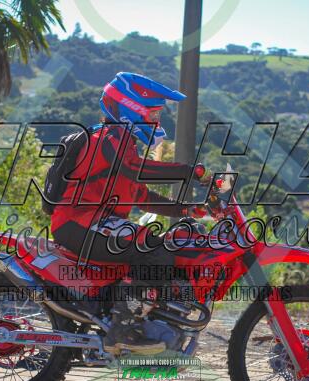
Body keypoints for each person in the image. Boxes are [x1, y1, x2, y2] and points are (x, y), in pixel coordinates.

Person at [51, 72, 210, 354]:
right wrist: (190, 172)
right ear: (130, 109)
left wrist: (189, 209)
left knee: (165, 247)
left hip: (95, 224)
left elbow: (141, 196)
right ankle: (123, 330)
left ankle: (145, 319)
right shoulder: (109, 138)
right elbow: (135, 170)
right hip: (78, 222)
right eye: (153, 113)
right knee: (154, 249)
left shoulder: (123, 145)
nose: (156, 121)